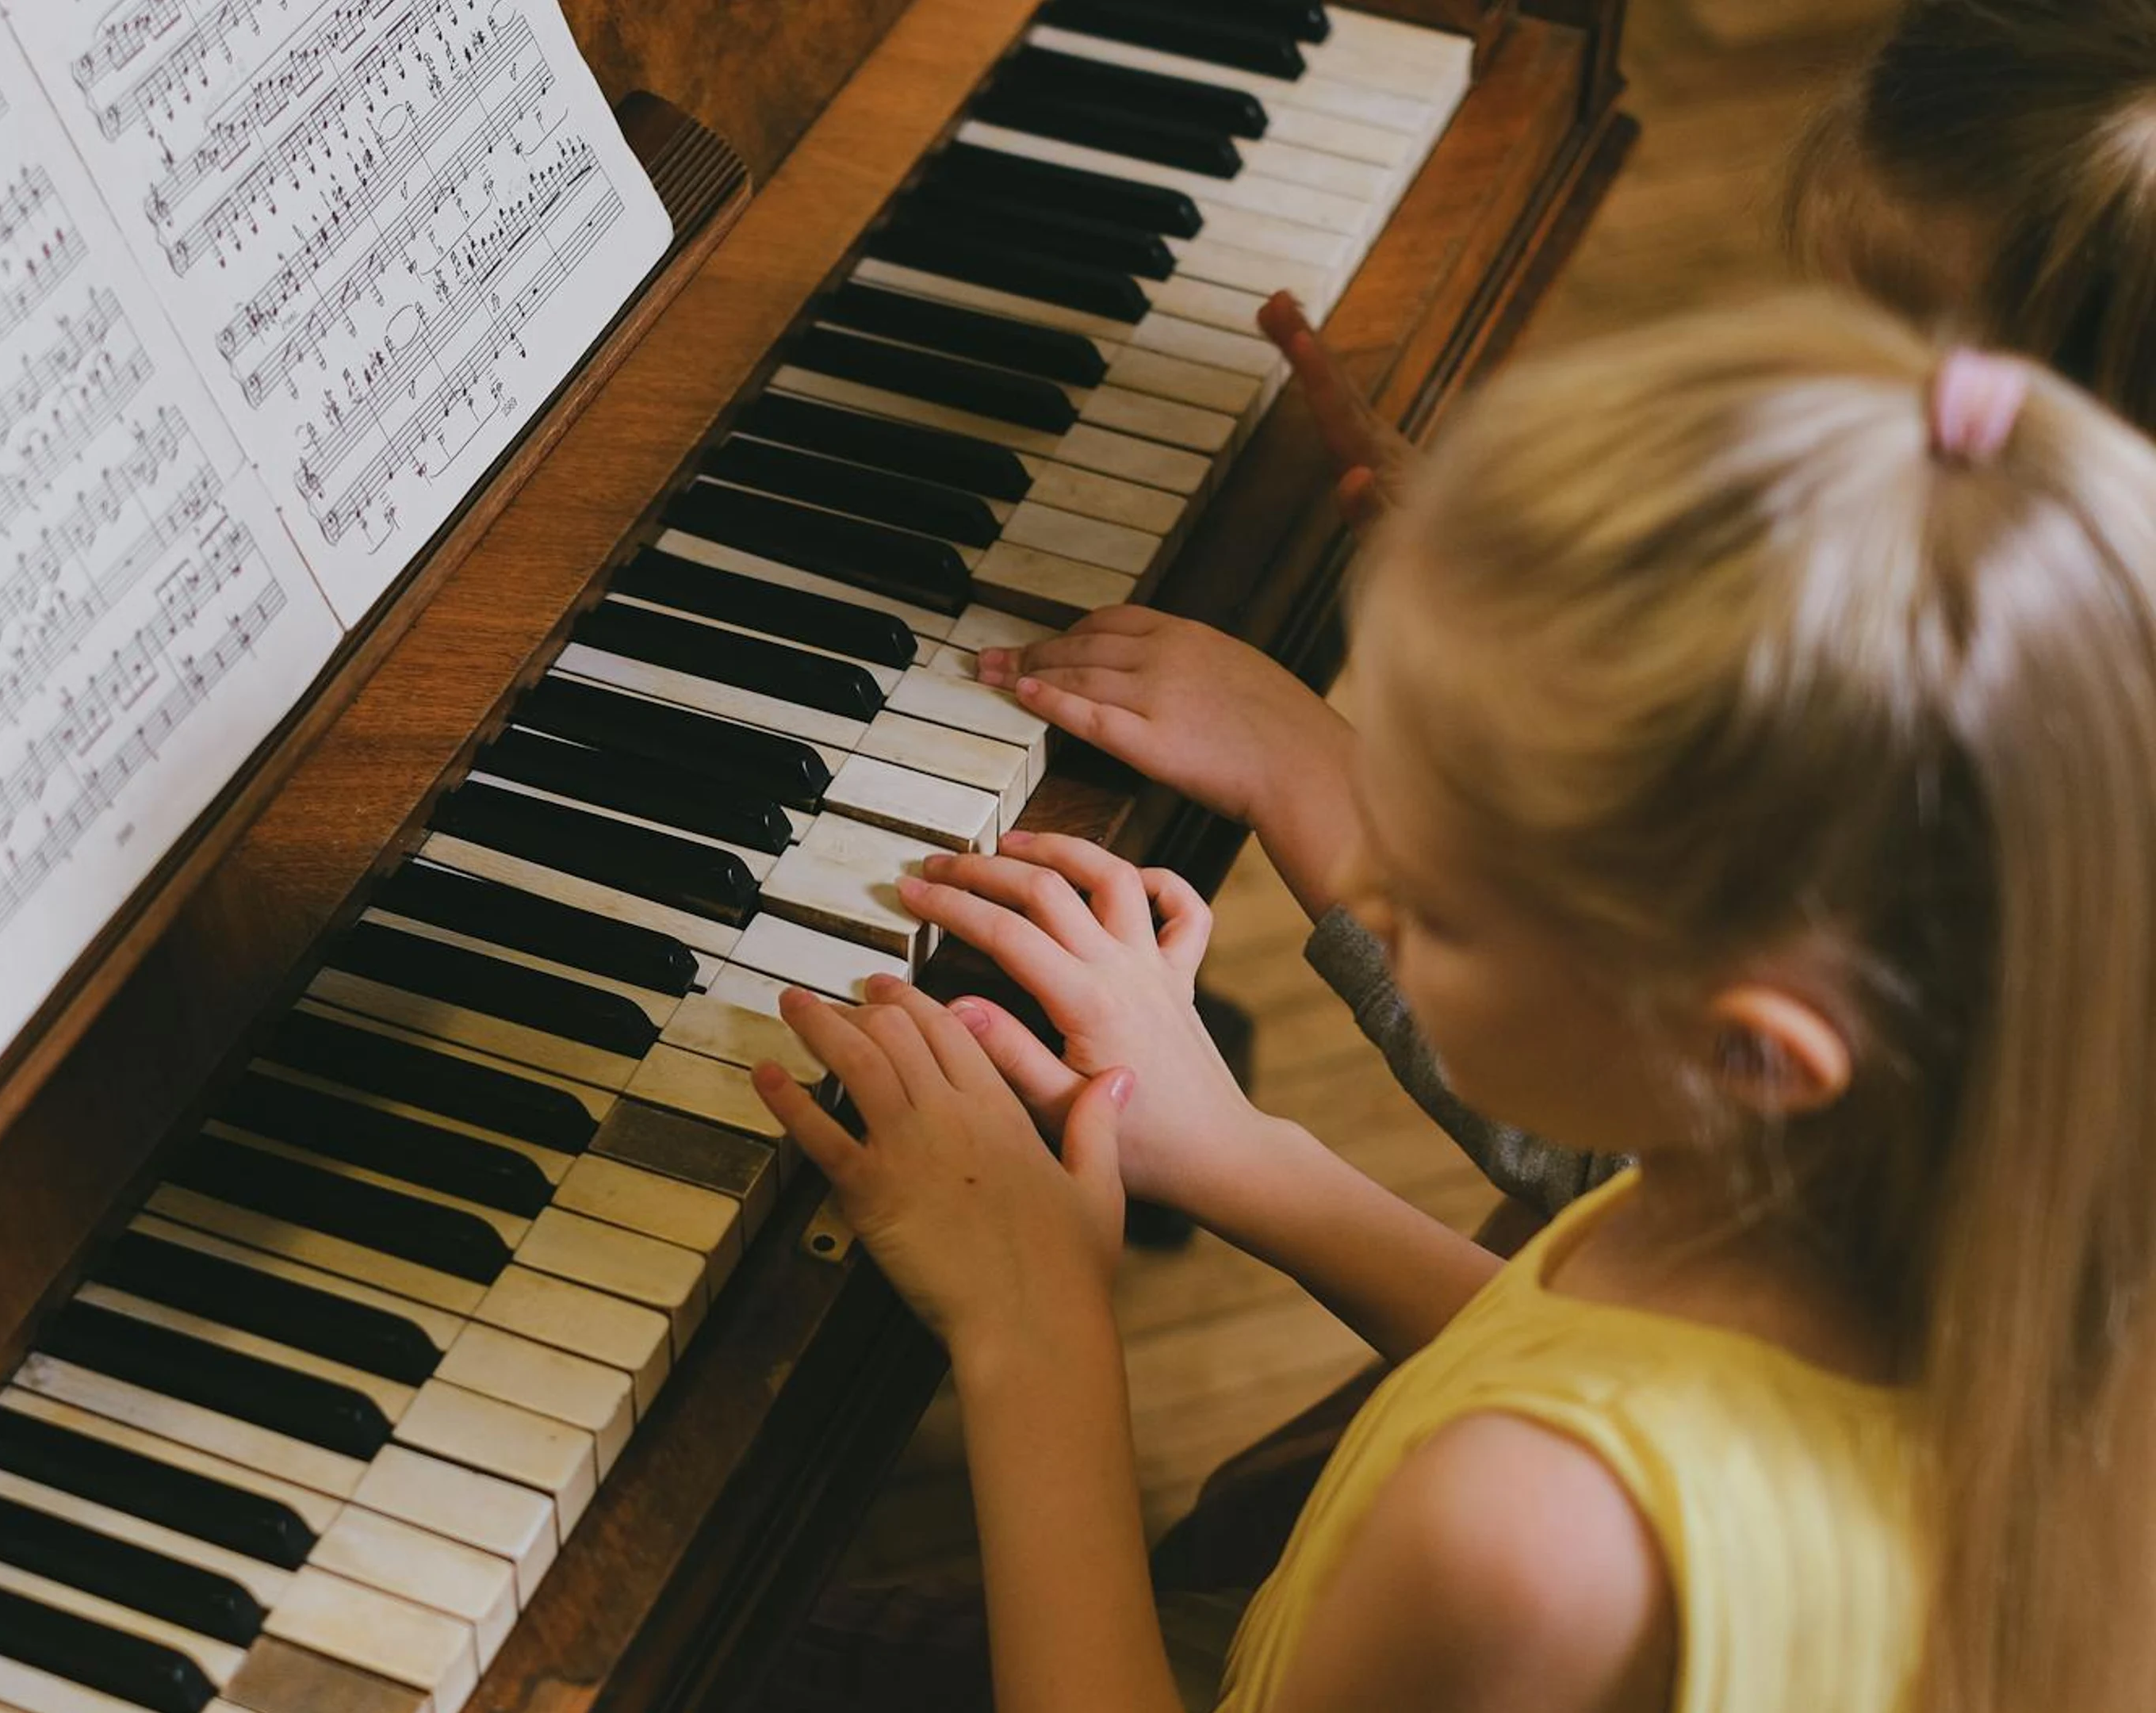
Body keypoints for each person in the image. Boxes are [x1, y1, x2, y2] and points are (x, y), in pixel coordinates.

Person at [754, 297, 2156, 1710]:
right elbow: (1588, 1351)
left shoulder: (1519, 1545)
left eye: (1441, 899)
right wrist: (1246, 1158)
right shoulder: (1857, 1201)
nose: (1355, 868)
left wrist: (1032, 1330)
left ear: (1751, 1050)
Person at [970, 0, 2156, 1214]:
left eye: (1876, 373)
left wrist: (1305, 778)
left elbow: (1632, 1185)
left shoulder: (2005, 889)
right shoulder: (2039, 658)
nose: (1789, 415)